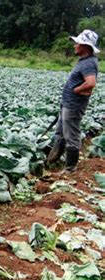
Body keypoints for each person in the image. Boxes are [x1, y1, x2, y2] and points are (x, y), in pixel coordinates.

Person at [47, 29, 99, 173]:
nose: (74, 45)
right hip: (68, 103)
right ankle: (52, 161)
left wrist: (76, 90)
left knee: (71, 134)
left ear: (85, 46)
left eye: (77, 43)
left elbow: (91, 83)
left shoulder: (88, 63)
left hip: (74, 105)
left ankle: (70, 168)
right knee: (60, 132)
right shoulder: (84, 61)